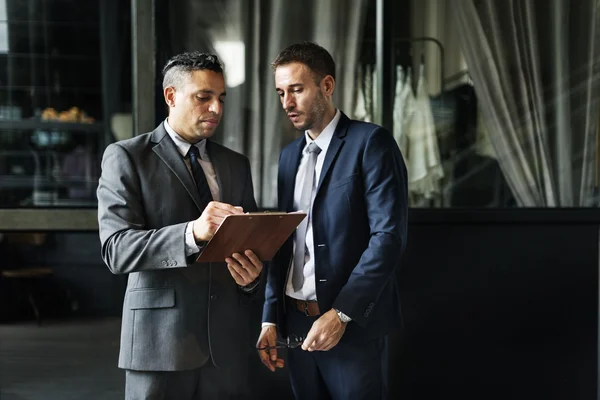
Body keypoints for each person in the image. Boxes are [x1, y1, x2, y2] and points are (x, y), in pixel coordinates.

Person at [97, 51, 263, 400]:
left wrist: (252, 278)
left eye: (221, 98)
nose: (216, 108)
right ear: (171, 96)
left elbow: (251, 244)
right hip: (159, 347)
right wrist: (192, 233)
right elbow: (117, 249)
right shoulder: (126, 156)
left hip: (226, 349)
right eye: (204, 97)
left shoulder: (236, 164)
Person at [256, 42, 408, 399]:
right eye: (281, 93)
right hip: (295, 323)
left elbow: (388, 237)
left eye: (296, 89)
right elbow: (283, 242)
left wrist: (341, 314)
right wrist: (270, 316)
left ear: (326, 86)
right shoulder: (288, 157)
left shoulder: (371, 142)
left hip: (351, 324)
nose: (287, 103)